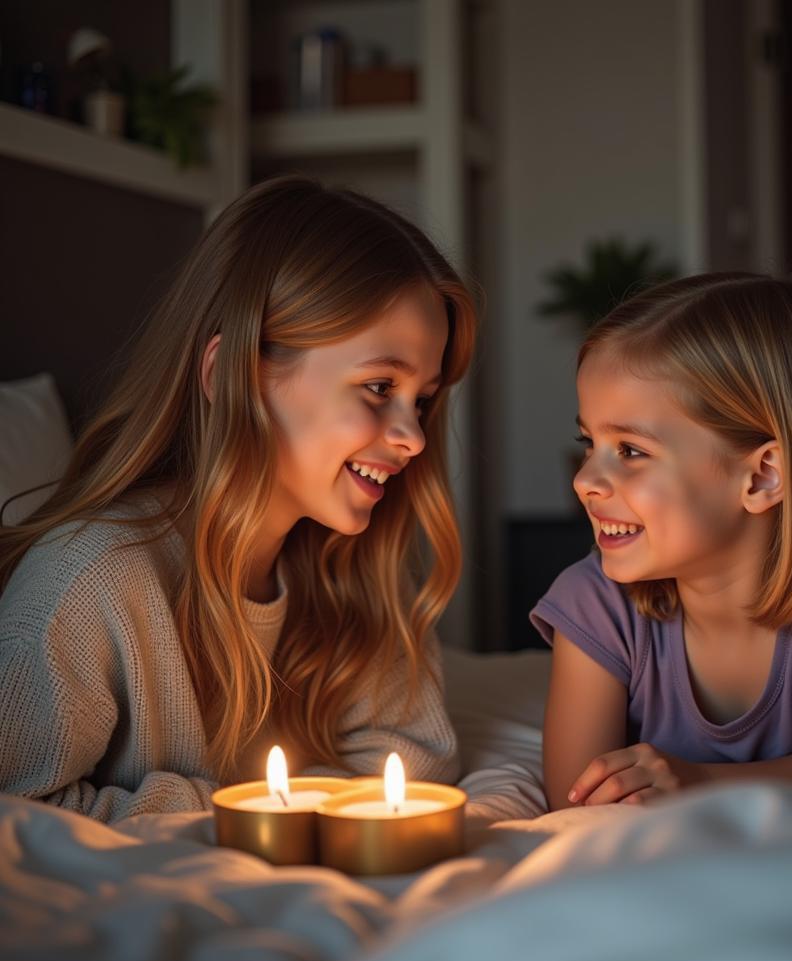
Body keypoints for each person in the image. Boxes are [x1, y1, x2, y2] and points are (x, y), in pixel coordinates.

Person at [0, 176, 476, 822]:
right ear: (234, 376)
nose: (415, 437)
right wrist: (233, 809)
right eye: (378, 386)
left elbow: (411, 757)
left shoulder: (352, 569)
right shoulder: (89, 582)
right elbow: (20, 814)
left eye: (421, 401)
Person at [532, 272, 792, 810]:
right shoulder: (594, 602)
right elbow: (579, 812)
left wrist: (704, 783)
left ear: (762, 477)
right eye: (588, 442)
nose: (583, 479)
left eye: (631, 451)